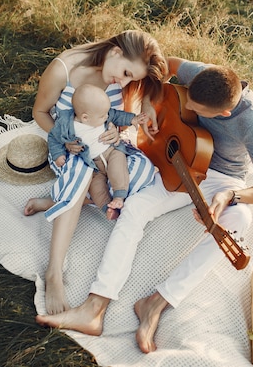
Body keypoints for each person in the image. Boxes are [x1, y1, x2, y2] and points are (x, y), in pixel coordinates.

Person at [34, 57, 253, 354]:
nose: (188, 109)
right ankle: (94, 308)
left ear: (225, 112)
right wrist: (153, 105)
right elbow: (165, 66)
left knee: (240, 220)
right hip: (179, 164)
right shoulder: (203, 75)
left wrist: (232, 196)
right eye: (188, 101)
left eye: (197, 109)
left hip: (223, 178)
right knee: (135, 209)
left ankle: (156, 303)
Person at [24, 30, 168, 315]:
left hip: (105, 148)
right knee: (80, 175)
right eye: (126, 73)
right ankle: (54, 272)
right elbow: (39, 112)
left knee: (142, 174)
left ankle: (60, 202)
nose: (124, 83)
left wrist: (128, 122)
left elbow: (162, 75)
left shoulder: (119, 73)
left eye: (131, 80)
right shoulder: (63, 70)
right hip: (70, 149)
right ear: (115, 52)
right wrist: (66, 140)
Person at [47, 83, 149, 220]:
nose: (107, 117)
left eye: (106, 113)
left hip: (111, 151)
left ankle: (119, 195)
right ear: (85, 118)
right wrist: (58, 154)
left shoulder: (102, 113)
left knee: (118, 168)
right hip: (93, 164)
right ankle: (108, 207)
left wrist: (132, 119)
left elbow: (116, 115)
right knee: (95, 186)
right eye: (103, 116)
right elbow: (53, 137)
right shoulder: (65, 124)